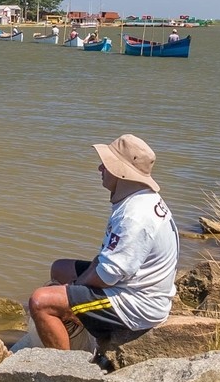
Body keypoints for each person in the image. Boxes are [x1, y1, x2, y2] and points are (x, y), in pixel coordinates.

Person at [28, 134, 180, 352]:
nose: (100, 168)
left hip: (138, 304)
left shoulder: (135, 215)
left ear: (121, 172)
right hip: (133, 284)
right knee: (60, 268)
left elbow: (108, 276)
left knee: (41, 302)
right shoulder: (137, 198)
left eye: (106, 164)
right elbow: (108, 259)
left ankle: (63, 372)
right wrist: (74, 287)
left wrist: (75, 288)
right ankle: (77, 334)